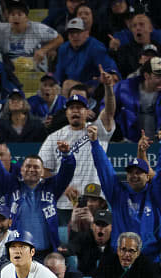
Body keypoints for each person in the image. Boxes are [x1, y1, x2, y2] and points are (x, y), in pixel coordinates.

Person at [39, 68, 115, 222]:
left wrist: (108, 87)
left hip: (95, 202)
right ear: (66, 112)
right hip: (64, 204)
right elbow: (43, 170)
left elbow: (109, 112)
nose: (75, 111)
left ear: (87, 112)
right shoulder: (54, 137)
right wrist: (62, 185)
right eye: (71, 108)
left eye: (80, 107)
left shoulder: (96, 130)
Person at [0, 131, 75, 260]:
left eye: (36, 167)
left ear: (43, 171)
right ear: (21, 170)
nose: (31, 169)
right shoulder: (11, 184)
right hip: (18, 253)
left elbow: (67, 173)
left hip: (46, 254)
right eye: (28, 166)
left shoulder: (52, 187)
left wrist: (66, 155)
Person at [90, 124, 161, 266]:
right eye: (130, 172)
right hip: (120, 261)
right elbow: (104, 168)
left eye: (138, 172)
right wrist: (95, 143)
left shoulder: (156, 195)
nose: (134, 175)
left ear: (148, 176)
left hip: (149, 261)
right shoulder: (117, 193)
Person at [113, 56, 161, 142]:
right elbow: (106, 111)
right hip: (130, 144)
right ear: (146, 75)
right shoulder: (124, 88)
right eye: (158, 76)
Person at [0, 0, 62, 71]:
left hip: (33, 70)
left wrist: (44, 50)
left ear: (26, 18)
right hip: (8, 70)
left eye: (19, 14)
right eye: (12, 14)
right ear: (8, 18)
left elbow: (59, 38)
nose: (16, 17)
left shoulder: (37, 28)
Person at [54, 17, 119, 84]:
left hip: (92, 86)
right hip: (72, 87)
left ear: (87, 33)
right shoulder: (63, 48)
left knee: (68, 84)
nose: (75, 36)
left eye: (78, 32)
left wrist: (111, 74)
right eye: (71, 33)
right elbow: (59, 73)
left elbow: (109, 67)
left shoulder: (95, 47)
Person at [108, 11, 161, 79]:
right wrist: (113, 50)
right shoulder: (124, 52)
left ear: (150, 28)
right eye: (134, 26)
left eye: (141, 24)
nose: (138, 28)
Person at [92, 232, 161, 278]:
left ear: (138, 253)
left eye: (131, 251)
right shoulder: (106, 263)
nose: (127, 254)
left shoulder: (147, 265)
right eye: (123, 249)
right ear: (118, 250)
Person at [67, 209, 113, 278]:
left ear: (111, 228)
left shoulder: (115, 243)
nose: (100, 228)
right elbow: (72, 247)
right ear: (92, 226)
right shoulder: (83, 238)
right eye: (97, 224)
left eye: (104, 225)